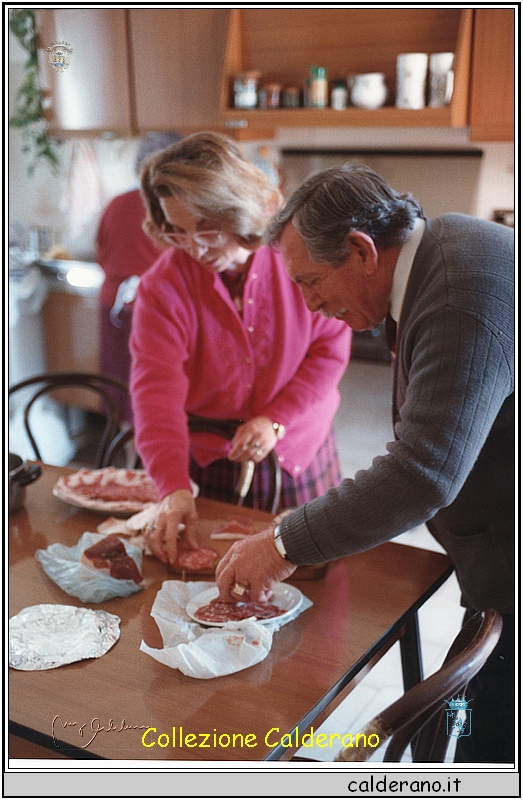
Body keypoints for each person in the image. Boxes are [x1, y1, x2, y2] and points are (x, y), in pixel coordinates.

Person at [215, 163, 514, 763]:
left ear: (361, 250)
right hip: (496, 534)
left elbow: (423, 471)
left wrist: (282, 543)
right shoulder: (442, 246)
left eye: (311, 281)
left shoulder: (457, 295)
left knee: (485, 748)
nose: (308, 303)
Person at [129, 132, 351, 567]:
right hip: (211, 458)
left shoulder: (296, 258)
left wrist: (275, 420)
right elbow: (156, 396)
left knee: (313, 580)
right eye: (177, 232)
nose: (195, 249)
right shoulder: (162, 288)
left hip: (297, 448)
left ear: (239, 212)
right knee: (213, 579)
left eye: (207, 229)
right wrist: (173, 487)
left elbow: (330, 348)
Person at [96, 132, 181, 420]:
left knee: (121, 388)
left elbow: (101, 253)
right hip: (154, 306)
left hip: (114, 305)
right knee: (153, 390)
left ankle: (125, 452)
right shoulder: (170, 208)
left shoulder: (115, 204)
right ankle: (141, 459)